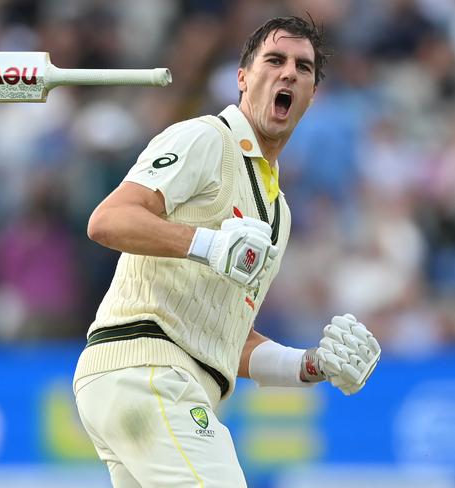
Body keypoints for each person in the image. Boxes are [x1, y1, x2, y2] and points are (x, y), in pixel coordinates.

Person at [73, 16, 381, 488]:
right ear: (242, 77)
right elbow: (108, 220)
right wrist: (208, 244)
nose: (288, 74)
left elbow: (228, 336)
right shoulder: (205, 138)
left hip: (162, 381)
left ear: (312, 94)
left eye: (303, 68)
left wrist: (311, 364)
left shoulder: (279, 211)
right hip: (147, 368)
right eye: (274, 60)